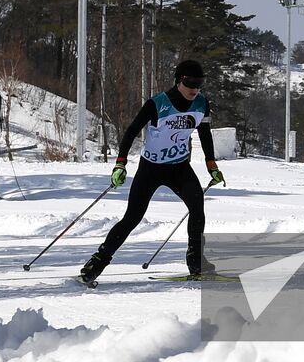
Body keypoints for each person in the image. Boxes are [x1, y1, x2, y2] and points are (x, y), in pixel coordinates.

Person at [79, 59, 225, 284]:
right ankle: (97, 262)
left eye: (200, 84)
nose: (195, 89)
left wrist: (211, 165)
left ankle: (197, 263)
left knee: (197, 206)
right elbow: (130, 132)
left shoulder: (202, 104)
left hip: (179, 168)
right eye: (190, 83)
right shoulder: (157, 104)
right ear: (178, 81)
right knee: (133, 217)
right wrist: (120, 163)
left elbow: (205, 134)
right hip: (151, 169)